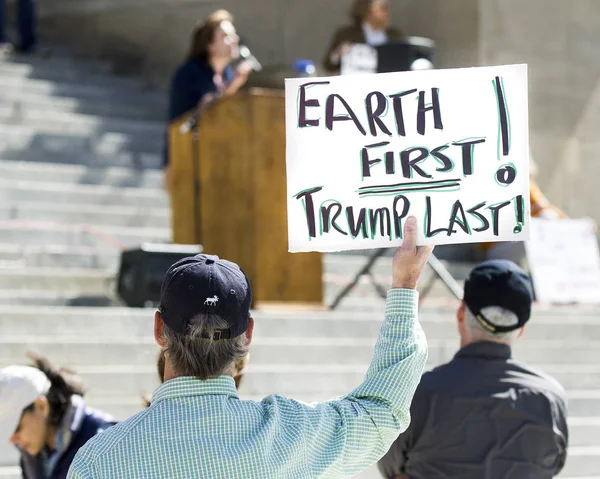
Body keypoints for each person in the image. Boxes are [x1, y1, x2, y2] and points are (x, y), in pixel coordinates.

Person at [67, 217, 431, 478]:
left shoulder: (100, 460)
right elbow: (380, 412)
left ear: (159, 329)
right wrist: (404, 284)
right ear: (247, 335)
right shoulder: (286, 433)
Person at [378, 259, 569, 479]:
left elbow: (390, 469)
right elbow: (552, 467)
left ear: (460, 313)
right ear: (521, 329)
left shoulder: (419, 393)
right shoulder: (550, 398)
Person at [163, 9, 252, 180]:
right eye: (226, 36)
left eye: (234, 35)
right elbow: (199, 114)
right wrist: (233, 85)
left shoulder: (227, 74)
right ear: (209, 45)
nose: (234, 40)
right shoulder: (191, 72)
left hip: (215, 160)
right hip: (186, 157)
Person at [0, 354, 118, 479]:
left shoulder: (104, 440)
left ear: (41, 406)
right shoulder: (31, 452)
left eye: (17, 428)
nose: (12, 440)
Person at [323, 0, 403, 73]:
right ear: (366, 10)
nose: (386, 13)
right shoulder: (347, 34)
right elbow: (328, 65)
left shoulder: (394, 35)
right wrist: (338, 54)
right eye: (382, 8)